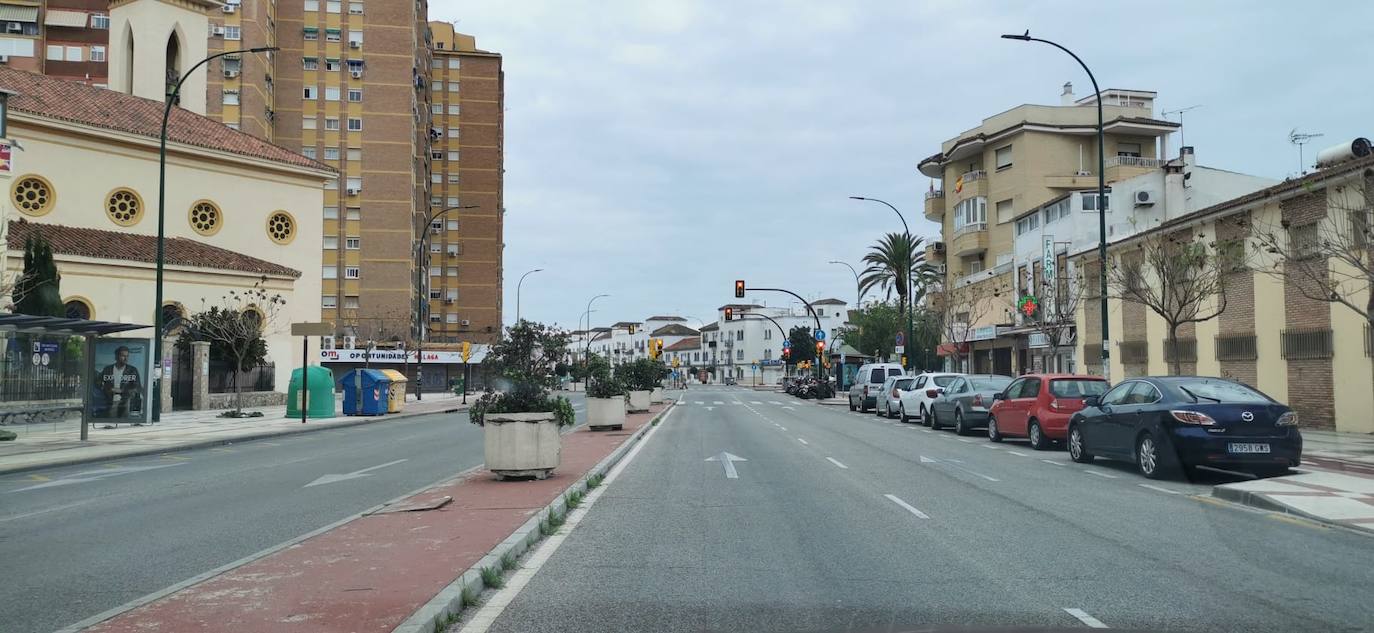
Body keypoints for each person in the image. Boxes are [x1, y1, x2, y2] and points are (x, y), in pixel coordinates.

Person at [99, 345, 142, 418]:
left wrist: (121, 391)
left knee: (123, 419)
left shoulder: (132, 370)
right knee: (110, 419)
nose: (126, 358)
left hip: (125, 402)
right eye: (123, 356)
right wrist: (108, 389)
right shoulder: (107, 369)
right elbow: (99, 383)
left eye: (127, 356)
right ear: (116, 357)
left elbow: (137, 387)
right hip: (109, 401)